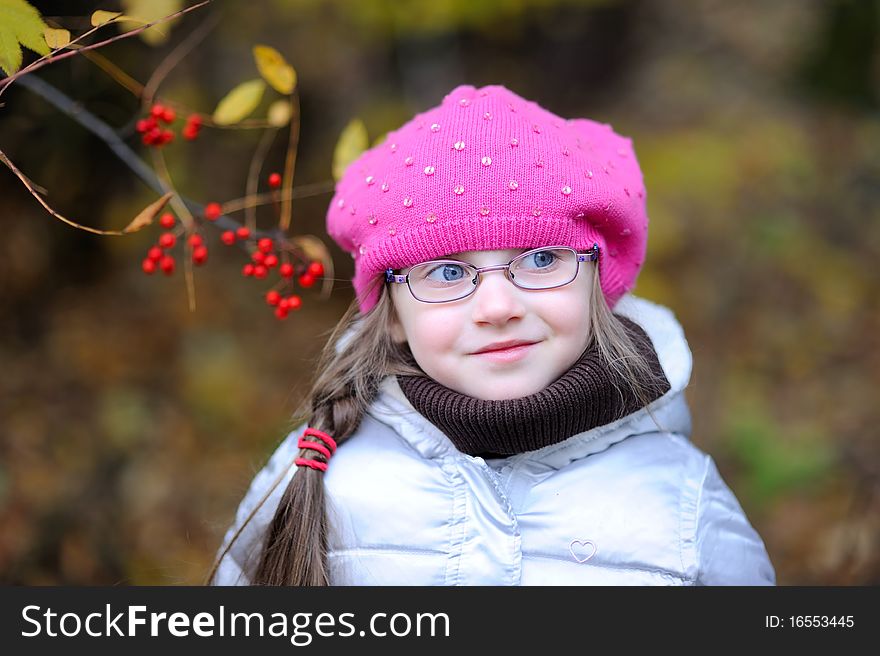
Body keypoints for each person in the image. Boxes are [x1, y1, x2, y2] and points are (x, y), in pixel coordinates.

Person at [207, 83, 776, 586]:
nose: (498, 307)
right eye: (448, 271)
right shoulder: (313, 477)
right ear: (395, 314)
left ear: (596, 284)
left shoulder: (682, 503)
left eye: (541, 258)